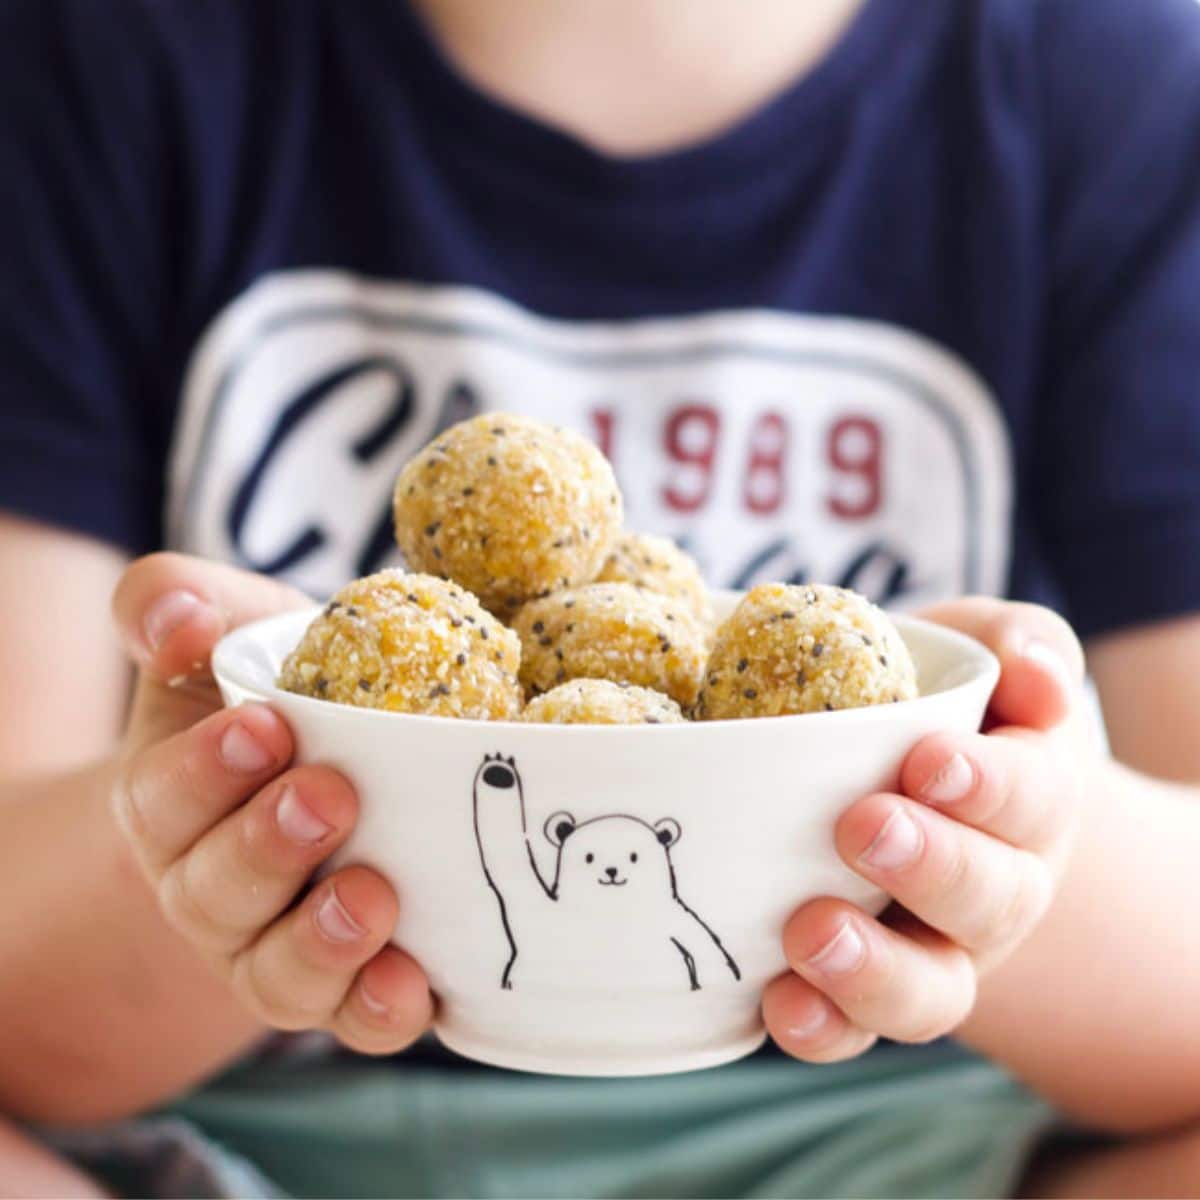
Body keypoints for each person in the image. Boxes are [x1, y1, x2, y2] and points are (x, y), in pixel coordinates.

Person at [2, 0, 1200, 1195]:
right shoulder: (105, 62)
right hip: (257, 1137)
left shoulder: (1111, 88)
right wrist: (225, 829)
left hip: (900, 1136)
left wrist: (990, 840)